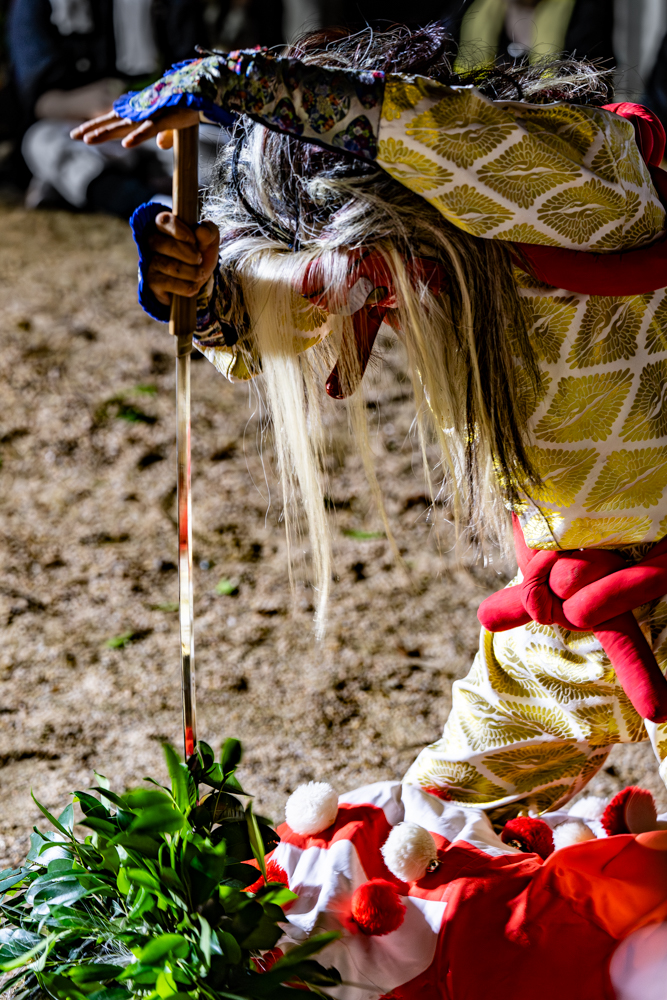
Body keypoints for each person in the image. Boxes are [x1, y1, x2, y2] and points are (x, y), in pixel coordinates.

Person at [70, 23, 667, 997]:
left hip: (623, 585)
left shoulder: (570, 175)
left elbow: (424, 141)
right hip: (580, 611)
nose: (350, 310)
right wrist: (212, 295)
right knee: (418, 829)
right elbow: (310, 301)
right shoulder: (427, 245)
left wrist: (244, 84)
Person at [7, 0, 204, 215]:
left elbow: (194, 73)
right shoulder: (33, 5)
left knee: (213, 143)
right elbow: (38, 101)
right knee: (41, 141)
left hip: (154, 122)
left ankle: (67, 186)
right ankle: (152, 204)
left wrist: (145, 107)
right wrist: (89, 104)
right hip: (82, 127)